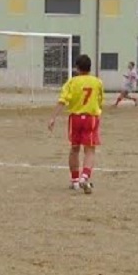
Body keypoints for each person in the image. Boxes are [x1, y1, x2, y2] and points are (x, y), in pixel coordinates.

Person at [48, 54, 104, 194]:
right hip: (91, 118)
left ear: (77, 68)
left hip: (75, 118)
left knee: (74, 149)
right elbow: (100, 100)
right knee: (90, 150)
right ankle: (84, 177)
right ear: (90, 68)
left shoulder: (72, 82)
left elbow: (62, 100)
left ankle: (74, 181)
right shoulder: (97, 82)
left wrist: (53, 118)